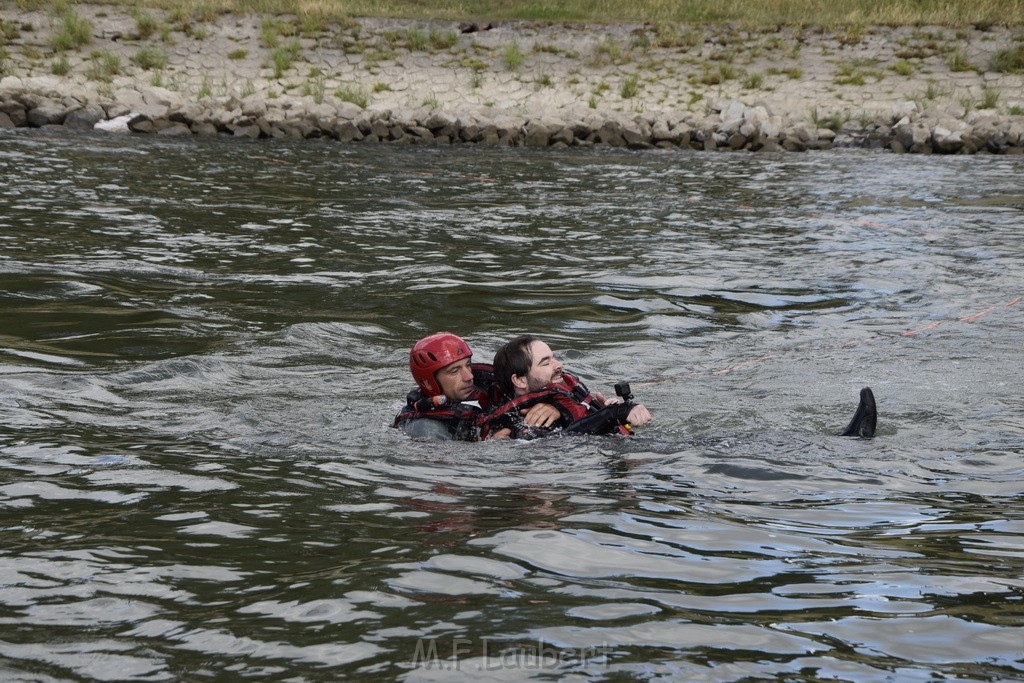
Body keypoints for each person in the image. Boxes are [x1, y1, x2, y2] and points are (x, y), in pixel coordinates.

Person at [393, 332, 559, 441]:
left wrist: (552, 406)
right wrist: (493, 448)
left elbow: (529, 388)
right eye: (454, 371)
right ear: (428, 383)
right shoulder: (426, 429)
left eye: (468, 365)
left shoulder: (483, 390)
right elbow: (450, 474)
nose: (469, 376)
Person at [482, 335, 652, 440]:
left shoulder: (567, 398)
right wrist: (614, 414)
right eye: (546, 363)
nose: (559, 365)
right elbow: (565, 445)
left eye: (554, 357)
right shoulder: (514, 426)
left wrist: (601, 411)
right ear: (519, 380)